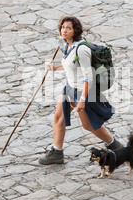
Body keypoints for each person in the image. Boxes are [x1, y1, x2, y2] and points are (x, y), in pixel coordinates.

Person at [39, 16, 123, 165]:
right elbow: (70, 65)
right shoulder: (67, 45)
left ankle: (114, 144)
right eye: (63, 27)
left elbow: (88, 77)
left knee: (88, 125)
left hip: (81, 92)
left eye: (68, 28)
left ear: (75, 31)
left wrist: (83, 100)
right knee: (58, 118)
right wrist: (54, 68)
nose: (64, 30)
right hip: (69, 88)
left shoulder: (82, 49)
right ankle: (57, 152)